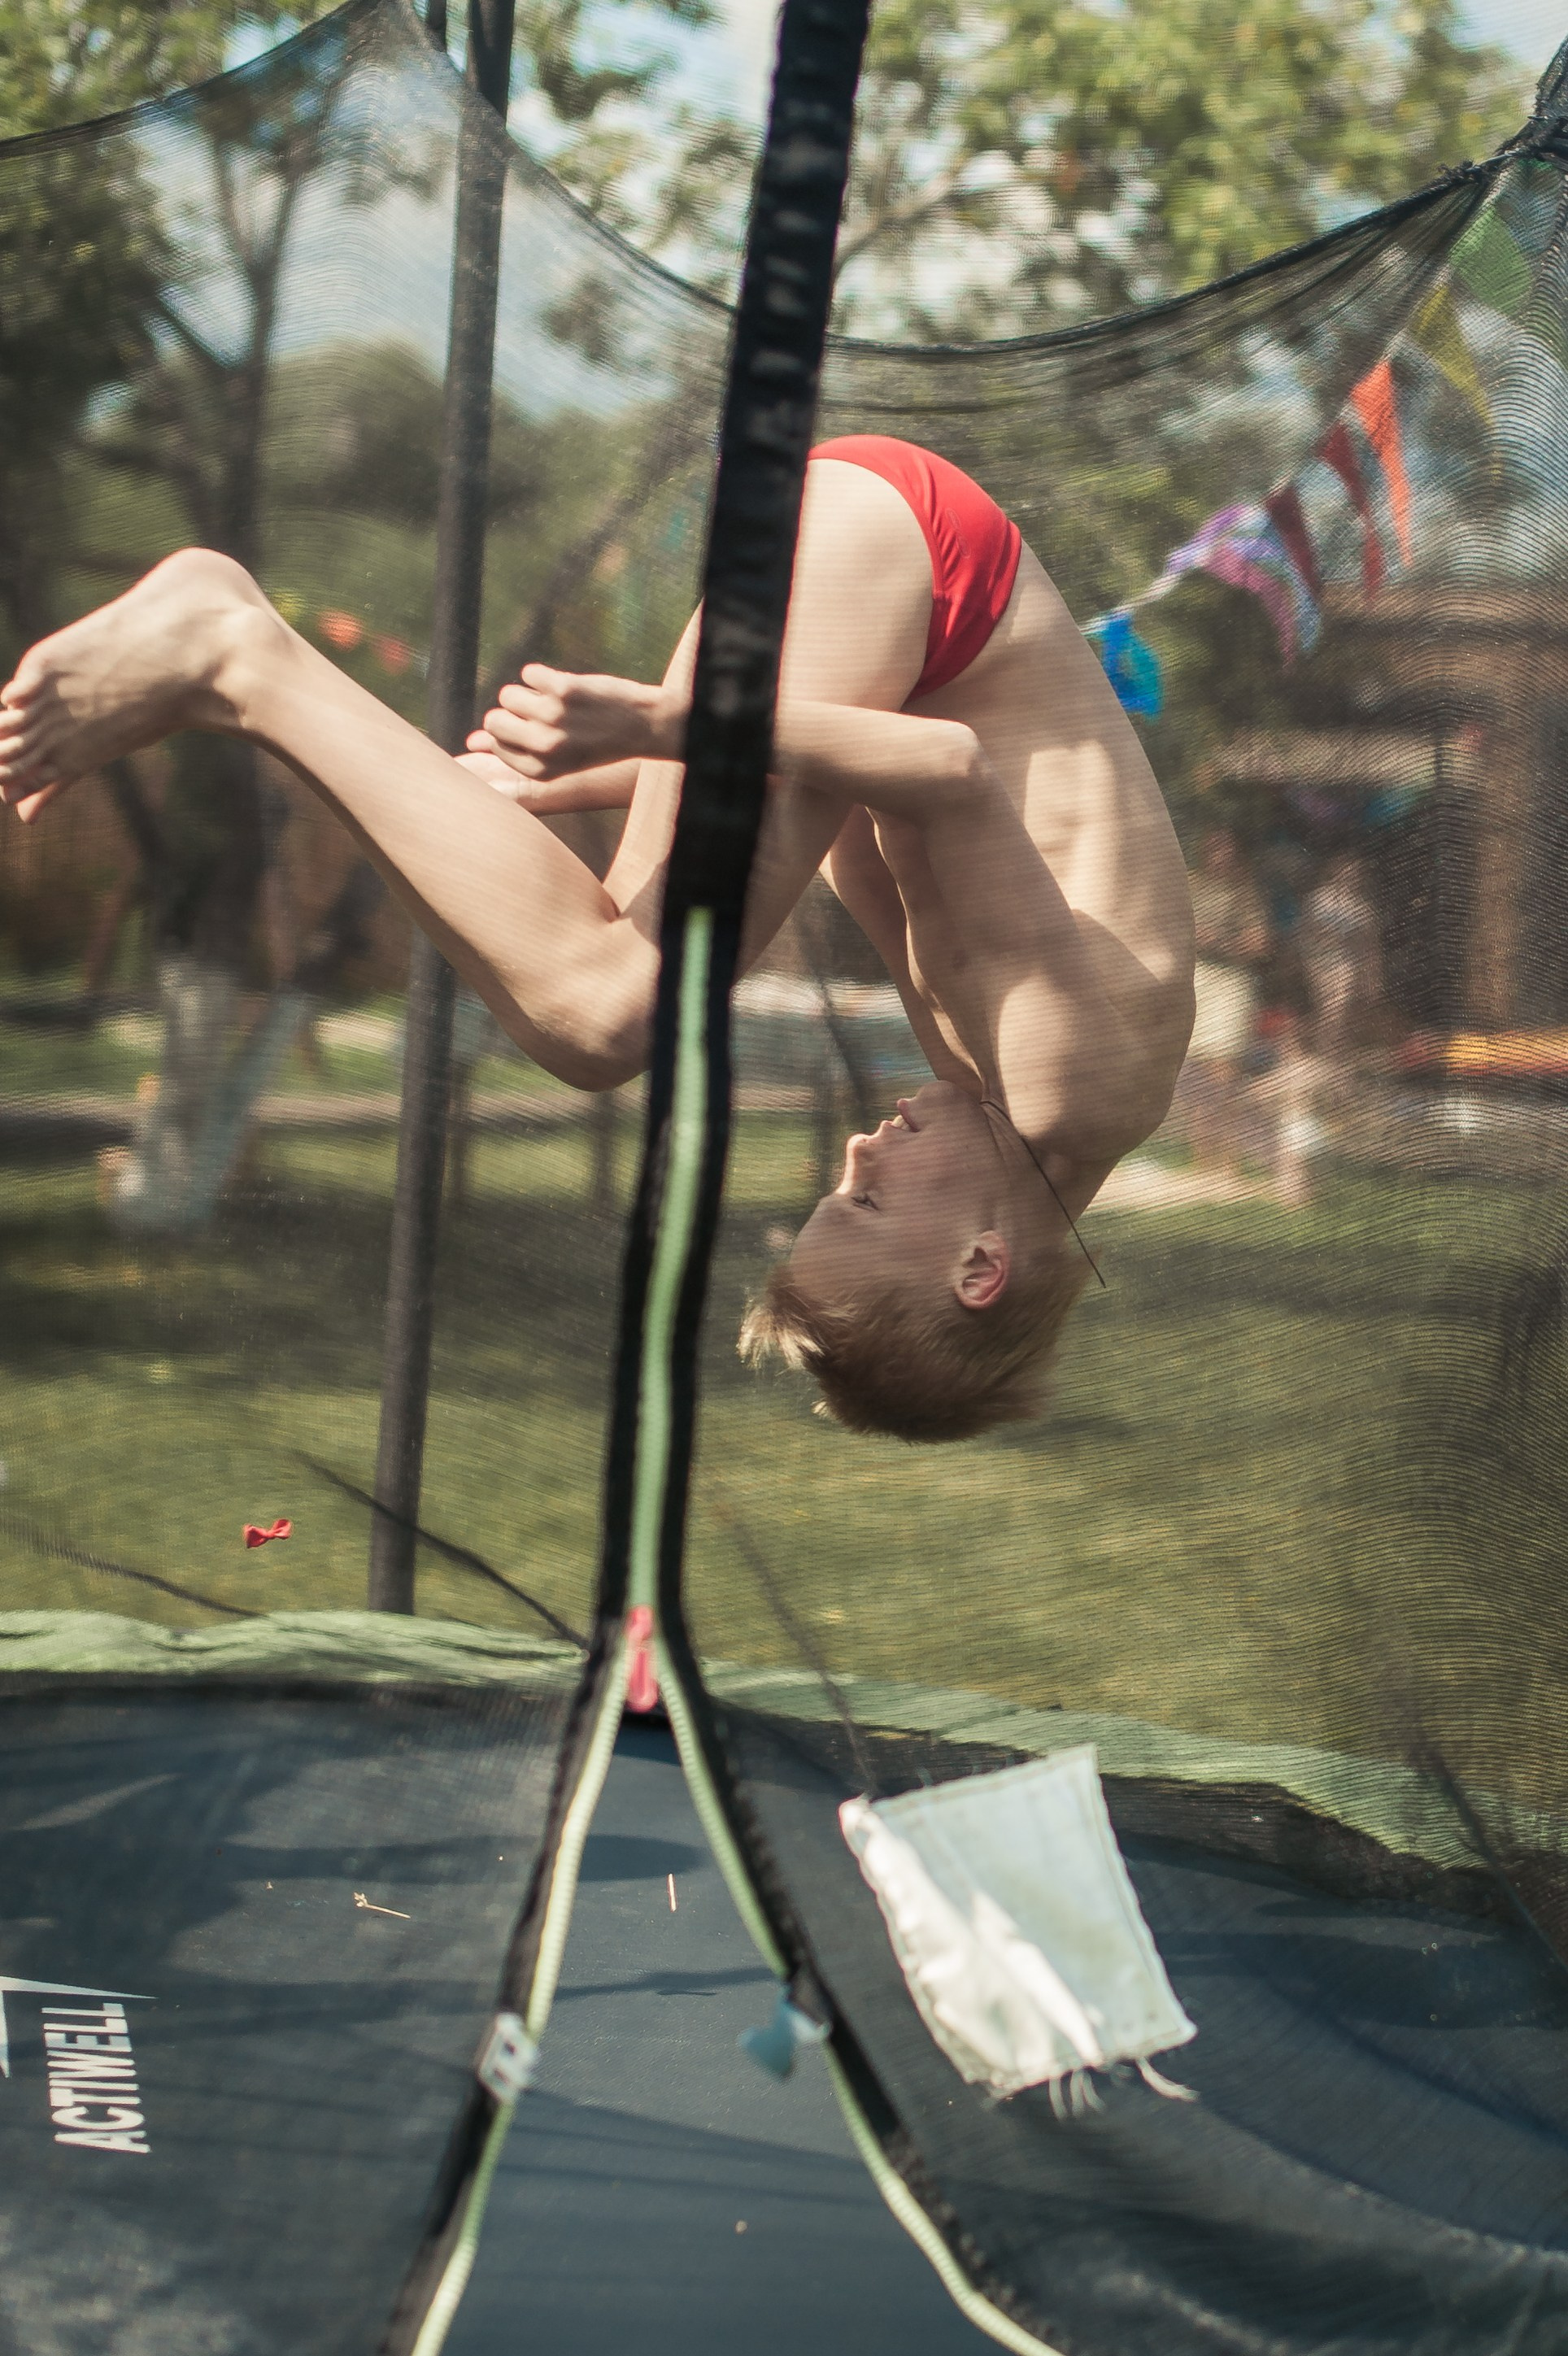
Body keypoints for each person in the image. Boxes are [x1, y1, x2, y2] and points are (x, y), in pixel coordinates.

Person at [0, 436, 1195, 1441]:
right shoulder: (1058, 1090)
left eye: (838, 1193)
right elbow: (948, 770)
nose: (854, 1159)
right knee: (610, 1010)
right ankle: (230, 649)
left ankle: (225, 681)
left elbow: (845, 817)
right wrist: (670, 724)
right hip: (912, 564)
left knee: (605, 963)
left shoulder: (983, 1086)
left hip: (886, 582)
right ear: (980, 1266)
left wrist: (584, 783)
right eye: (869, 1207)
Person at [1182, 826, 1268, 1182]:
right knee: (1196, 1073)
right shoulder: (1190, 886)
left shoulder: (1246, 894)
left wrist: (1219, 941)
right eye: (1214, 848)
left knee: (1226, 1073)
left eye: (1227, 849)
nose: (1221, 855)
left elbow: (1260, 943)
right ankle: (1201, 1159)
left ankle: (1229, 1159)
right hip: (1197, 978)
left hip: (1231, 982)